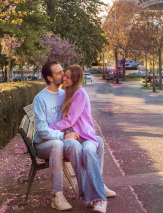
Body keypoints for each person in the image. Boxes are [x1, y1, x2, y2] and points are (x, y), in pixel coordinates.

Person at [49, 65, 116, 213]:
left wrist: (50, 126)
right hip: (73, 138)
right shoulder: (67, 93)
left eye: (68, 76)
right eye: (64, 75)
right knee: (78, 150)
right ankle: (93, 194)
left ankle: (100, 199)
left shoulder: (79, 93)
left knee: (89, 152)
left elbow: (70, 121)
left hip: (86, 137)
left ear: (76, 79)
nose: (64, 78)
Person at [33, 60, 82, 211]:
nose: (63, 74)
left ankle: (91, 186)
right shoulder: (40, 99)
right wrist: (63, 137)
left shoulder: (65, 94)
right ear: (49, 78)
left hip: (61, 140)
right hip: (43, 144)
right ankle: (57, 195)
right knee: (57, 144)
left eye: (62, 71)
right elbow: (41, 130)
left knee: (84, 143)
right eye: (59, 72)